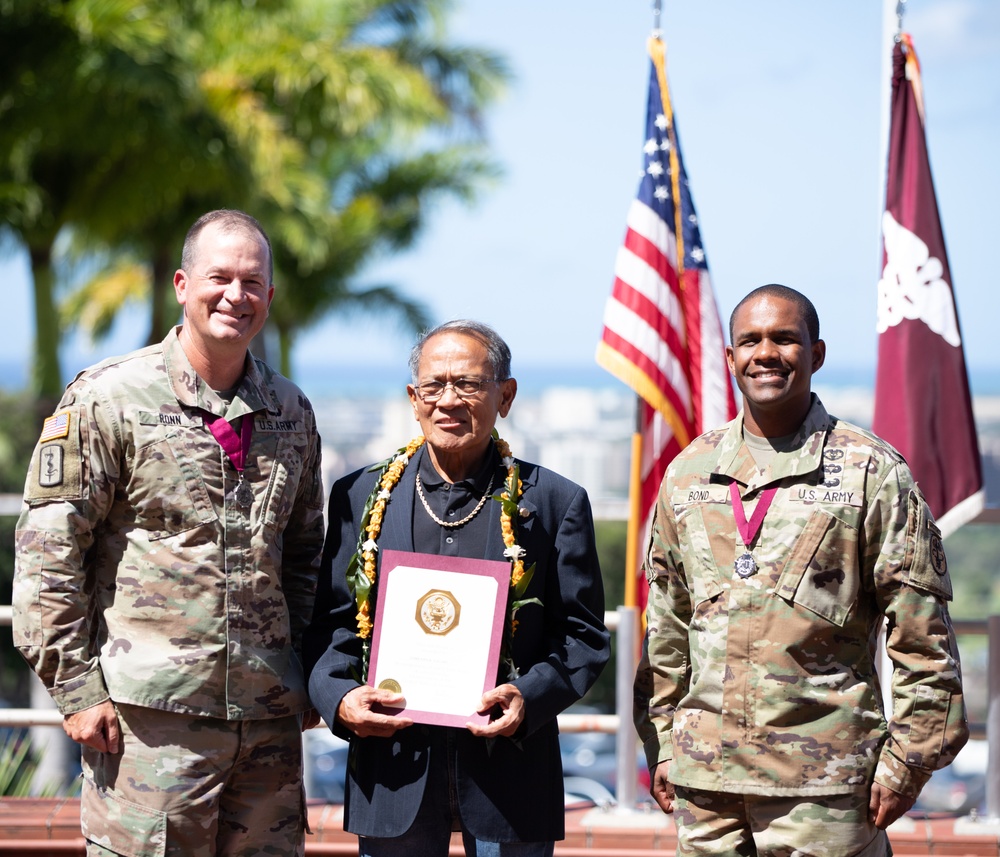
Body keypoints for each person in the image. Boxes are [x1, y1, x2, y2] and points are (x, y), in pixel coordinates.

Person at [12, 209, 325, 856]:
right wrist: (76, 690)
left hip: (266, 725)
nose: (236, 295)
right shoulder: (110, 398)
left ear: (270, 296)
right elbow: (47, 555)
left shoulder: (290, 411)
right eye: (220, 277)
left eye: (252, 282)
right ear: (183, 284)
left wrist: (305, 672)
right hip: (149, 725)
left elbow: (304, 554)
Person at [634, 284, 968, 856]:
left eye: (785, 339)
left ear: (815, 353)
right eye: (751, 341)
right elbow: (667, 627)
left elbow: (922, 639)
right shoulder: (689, 473)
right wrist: (664, 744)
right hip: (706, 785)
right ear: (731, 358)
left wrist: (906, 764)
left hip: (827, 790)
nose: (766, 353)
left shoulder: (871, 472)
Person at [304, 320, 610, 857]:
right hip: (392, 772)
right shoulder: (358, 496)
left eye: (468, 384)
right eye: (433, 386)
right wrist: (341, 697)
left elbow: (583, 638)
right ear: (413, 399)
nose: (448, 400)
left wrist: (529, 698)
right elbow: (332, 625)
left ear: (505, 396)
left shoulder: (556, 503)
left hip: (508, 779)